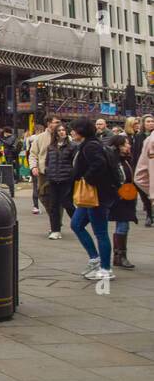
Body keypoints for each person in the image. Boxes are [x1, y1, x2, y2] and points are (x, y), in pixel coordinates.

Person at [69, 118, 116, 281]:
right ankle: (95, 258)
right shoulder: (90, 144)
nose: (72, 132)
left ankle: (105, 268)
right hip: (92, 195)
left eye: (74, 129)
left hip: (97, 195)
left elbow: (98, 165)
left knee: (100, 232)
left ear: (81, 131)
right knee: (76, 224)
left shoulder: (90, 146)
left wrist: (86, 180)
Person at [107, 132, 136, 270]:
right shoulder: (114, 160)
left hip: (128, 196)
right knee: (123, 225)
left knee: (124, 225)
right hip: (119, 197)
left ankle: (119, 256)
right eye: (126, 144)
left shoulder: (126, 159)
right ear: (118, 146)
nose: (128, 146)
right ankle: (120, 256)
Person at [42, 121, 76, 241]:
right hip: (53, 179)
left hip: (66, 179)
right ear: (55, 133)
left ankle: (78, 224)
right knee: (53, 206)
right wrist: (47, 171)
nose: (62, 132)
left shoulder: (72, 146)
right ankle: (55, 230)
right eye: (59, 130)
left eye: (63, 130)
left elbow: (75, 163)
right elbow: (47, 162)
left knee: (67, 204)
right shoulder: (51, 147)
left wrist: (71, 174)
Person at [27, 117, 60, 216]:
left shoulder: (63, 136)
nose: (59, 124)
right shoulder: (39, 138)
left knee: (58, 197)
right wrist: (33, 167)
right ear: (49, 123)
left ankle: (56, 221)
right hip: (43, 171)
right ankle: (53, 215)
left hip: (59, 171)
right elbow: (33, 154)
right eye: (56, 122)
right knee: (42, 195)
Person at [134, 115, 154, 227]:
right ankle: (149, 215)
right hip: (144, 166)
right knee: (145, 194)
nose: (151, 123)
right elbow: (136, 153)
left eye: (152, 121)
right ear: (143, 123)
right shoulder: (139, 136)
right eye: (148, 121)